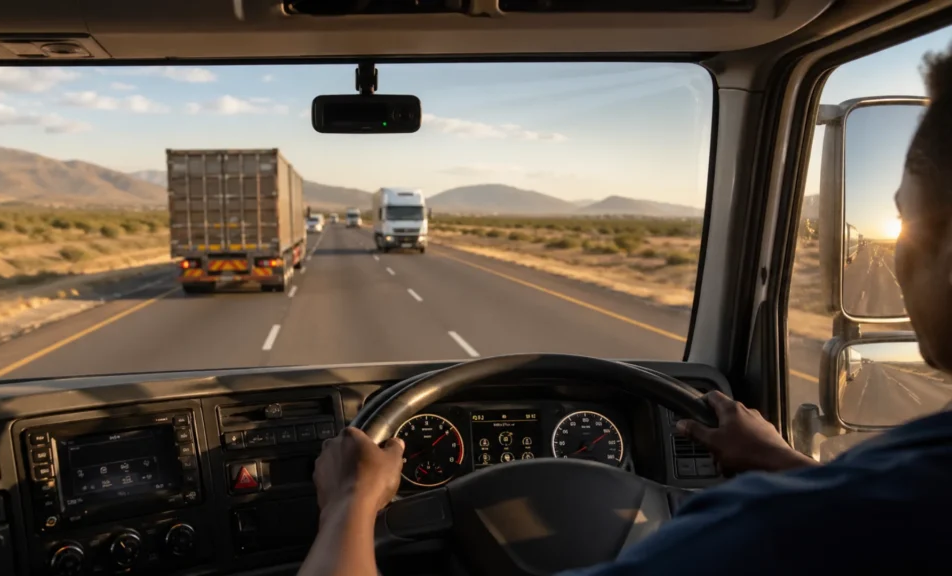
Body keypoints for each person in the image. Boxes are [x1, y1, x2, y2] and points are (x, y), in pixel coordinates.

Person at [296, 45, 952, 576]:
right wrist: (786, 467)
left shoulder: (759, 534)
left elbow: (837, 524)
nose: (894, 257)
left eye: (905, 221)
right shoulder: (882, 504)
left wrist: (350, 506)